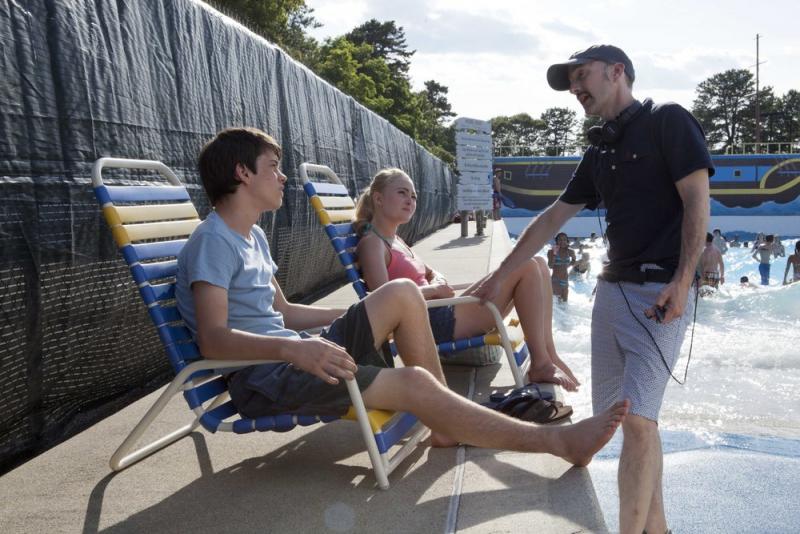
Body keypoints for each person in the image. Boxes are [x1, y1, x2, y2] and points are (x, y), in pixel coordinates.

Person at [175, 127, 628, 466]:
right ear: (242, 172)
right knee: (413, 384)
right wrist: (294, 348)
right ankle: (556, 444)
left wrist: (362, 317)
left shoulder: (250, 237)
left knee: (402, 292)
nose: (283, 176)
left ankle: (448, 424)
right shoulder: (213, 242)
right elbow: (214, 341)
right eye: (273, 167)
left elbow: (286, 313)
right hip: (263, 379)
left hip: (290, 355)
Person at [470, 45, 712, 534]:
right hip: (612, 294)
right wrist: (500, 274)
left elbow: (697, 202)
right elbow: (552, 218)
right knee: (628, 419)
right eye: (571, 82)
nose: (576, 88)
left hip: (659, 297)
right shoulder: (600, 147)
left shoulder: (669, 121)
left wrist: (683, 282)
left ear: (616, 71)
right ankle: (657, 527)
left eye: (582, 76)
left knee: (639, 421)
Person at [355, 168, 580, 390]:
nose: (410, 200)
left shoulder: (396, 241)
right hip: (430, 321)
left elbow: (432, 273)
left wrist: (436, 285)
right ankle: (540, 363)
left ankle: (550, 354)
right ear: (379, 199)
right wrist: (434, 291)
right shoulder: (373, 244)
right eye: (402, 193)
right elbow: (382, 300)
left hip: (441, 307)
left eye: (413, 195)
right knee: (528, 266)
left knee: (539, 263)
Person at [548, 232, 576, 301]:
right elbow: (550, 266)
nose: (562, 242)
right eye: (560, 240)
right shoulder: (551, 251)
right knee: (554, 304)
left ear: (567, 241)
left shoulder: (570, 251)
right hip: (555, 280)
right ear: (556, 241)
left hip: (565, 280)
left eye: (564, 240)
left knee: (564, 303)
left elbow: (574, 260)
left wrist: (567, 266)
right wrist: (555, 253)